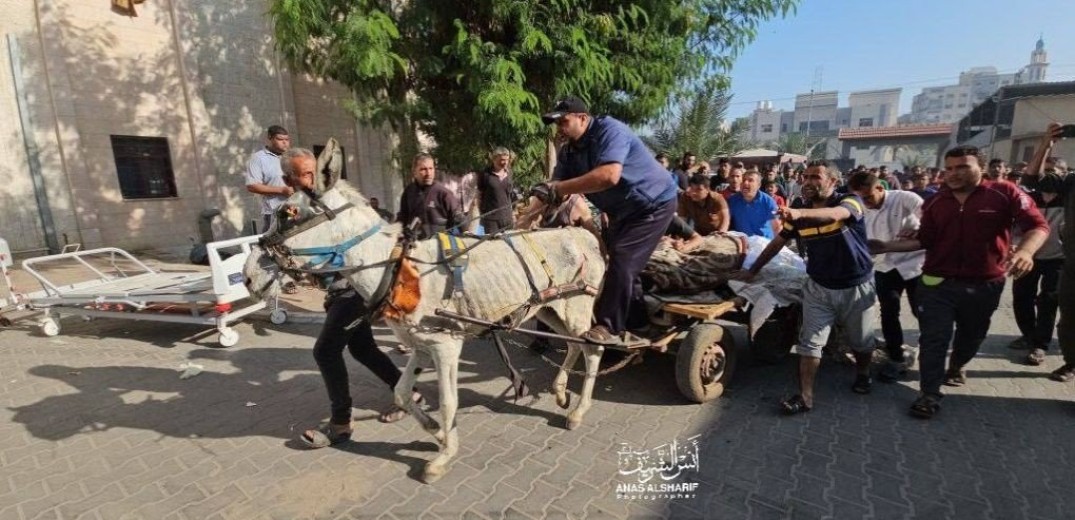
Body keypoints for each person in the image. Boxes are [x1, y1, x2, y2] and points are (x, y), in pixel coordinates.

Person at [871, 145, 1048, 419]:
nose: (953, 173)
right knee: (933, 338)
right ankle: (929, 393)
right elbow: (924, 240)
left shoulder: (1005, 193)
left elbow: (1038, 226)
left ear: (982, 168)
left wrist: (1026, 251)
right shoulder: (935, 202)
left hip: (985, 283)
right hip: (936, 283)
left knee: (971, 336)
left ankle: (958, 363)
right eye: (950, 168)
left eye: (962, 167)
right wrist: (886, 245)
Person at [276, 148, 425, 448]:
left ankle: (341, 423)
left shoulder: (331, 200)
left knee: (325, 352)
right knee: (363, 348)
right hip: (339, 290)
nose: (311, 179)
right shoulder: (298, 207)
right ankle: (408, 390)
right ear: (288, 179)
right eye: (304, 174)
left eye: (313, 172)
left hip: (356, 289)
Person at [531, 96, 677, 345]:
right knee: (619, 263)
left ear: (583, 118)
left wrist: (558, 188)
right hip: (623, 211)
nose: (560, 129)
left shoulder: (610, 130)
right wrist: (529, 214)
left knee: (622, 257)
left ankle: (608, 326)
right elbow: (554, 189)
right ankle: (640, 323)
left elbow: (609, 176)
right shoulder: (569, 152)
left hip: (653, 205)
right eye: (557, 124)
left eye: (564, 121)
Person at [736, 160, 877, 414]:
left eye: (816, 177)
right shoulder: (799, 208)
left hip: (856, 287)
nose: (809, 181)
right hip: (818, 286)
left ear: (833, 181)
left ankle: (864, 371)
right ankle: (806, 395)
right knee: (810, 344)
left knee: (861, 341)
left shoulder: (849, 201)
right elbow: (778, 242)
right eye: (806, 176)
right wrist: (753, 271)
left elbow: (837, 215)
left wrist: (800, 214)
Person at [847, 171, 925, 382]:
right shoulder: (860, 208)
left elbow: (931, 222)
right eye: (861, 198)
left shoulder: (906, 198)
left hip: (916, 263)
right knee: (889, 312)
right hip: (885, 266)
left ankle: (929, 354)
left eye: (869, 197)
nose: (866, 202)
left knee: (923, 312)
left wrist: (920, 231)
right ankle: (896, 357)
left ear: (881, 188)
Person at [1011, 124, 1068, 367]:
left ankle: (1040, 345)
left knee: (1048, 301)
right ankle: (1028, 334)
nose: (1051, 176)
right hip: (1028, 256)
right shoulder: (1031, 194)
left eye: (1057, 172)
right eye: (1048, 171)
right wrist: (1045, 144)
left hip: (1058, 258)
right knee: (1021, 298)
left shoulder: (1070, 194)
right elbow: (1031, 176)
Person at [397, 153, 466, 240]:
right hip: (416, 246)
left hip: (441, 247)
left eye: (431, 168)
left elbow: (461, 222)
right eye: (423, 169)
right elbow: (402, 219)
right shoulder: (409, 192)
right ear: (414, 171)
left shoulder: (443, 193)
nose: (428, 173)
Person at [245, 125, 293, 232]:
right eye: (280, 139)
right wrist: (282, 190)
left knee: (295, 238)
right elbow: (252, 186)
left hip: (293, 207)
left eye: (287, 139)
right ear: (270, 138)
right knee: (271, 242)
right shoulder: (258, 158)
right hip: (274, 210)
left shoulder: (292, 157)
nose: (285, 142)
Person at [727, 169, 780, 239]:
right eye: (744, 180)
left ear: (759, 185)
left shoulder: (768, 201)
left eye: (750, 180)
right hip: (743, 243)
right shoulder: (733, 200)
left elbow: (776, 227)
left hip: (764, 243)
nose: (745, 183)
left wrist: (775, 247)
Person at [477, 147, 517, 234]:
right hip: (491, 220)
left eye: (507, 160)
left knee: (509, 245)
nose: (505, 162)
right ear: (494, 159)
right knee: (494, 245)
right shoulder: (485, 174)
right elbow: (479, 195)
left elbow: (510, 195)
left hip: (507, 218)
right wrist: (481, 213)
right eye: (502, 160)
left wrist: (513, 213)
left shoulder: (509, 173)